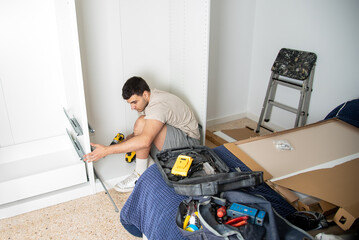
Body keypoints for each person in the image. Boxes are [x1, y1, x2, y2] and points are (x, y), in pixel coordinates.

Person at [83, 76, 201, 192]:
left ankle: (140, 174)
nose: (132, 107)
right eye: (130, 103)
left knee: (141, 126)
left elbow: (144, 140)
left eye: (134, 102)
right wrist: (110, 148)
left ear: (145, 94)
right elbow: (139, 134)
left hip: (190, 145)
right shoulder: (148, 101)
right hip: (175, 138)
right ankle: (149, 165)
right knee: (140, 130)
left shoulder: (157, 106)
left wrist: (106, 151)